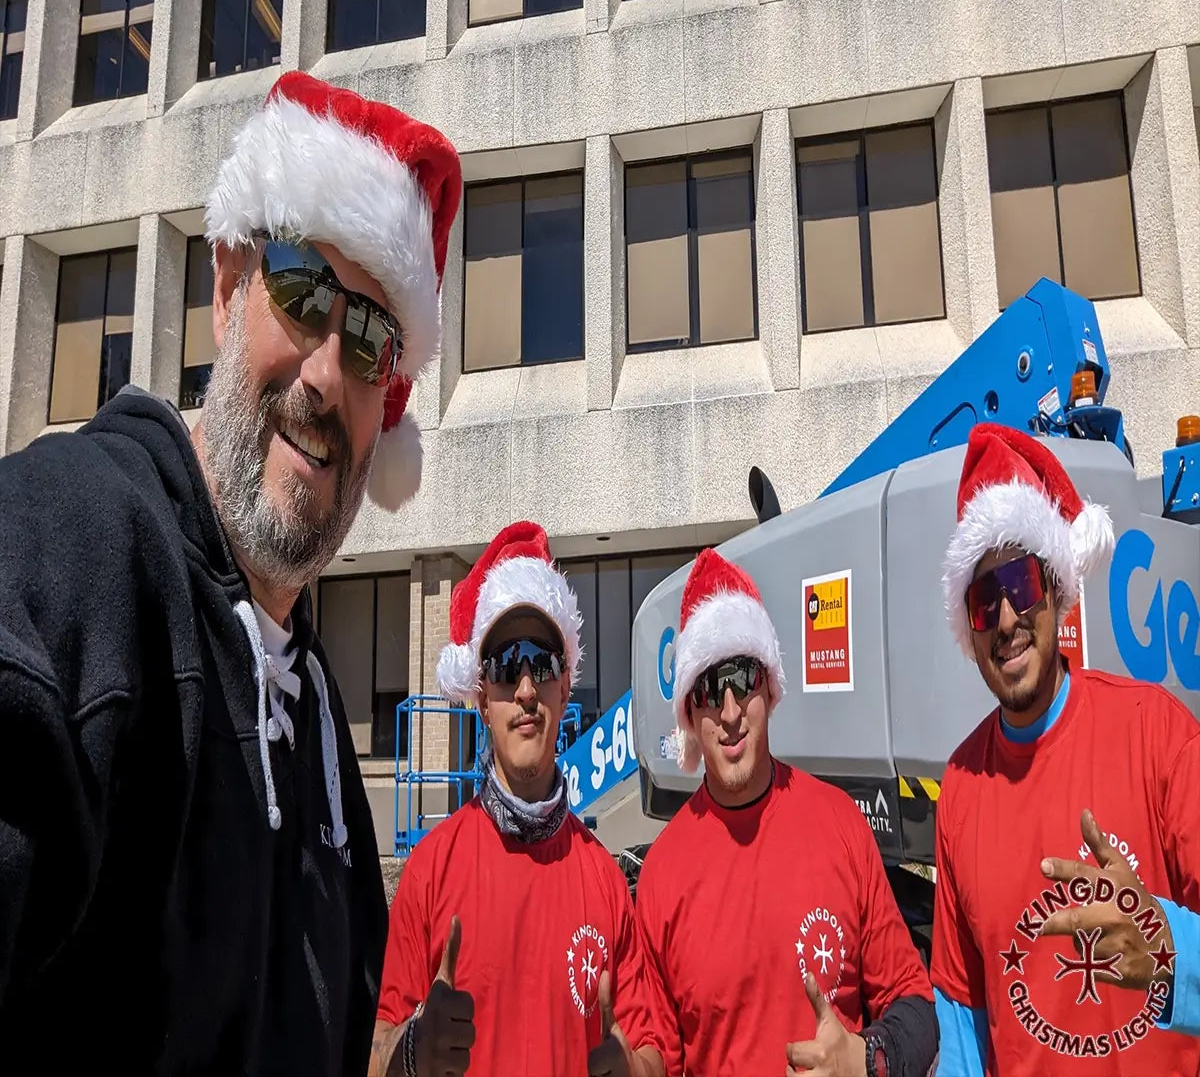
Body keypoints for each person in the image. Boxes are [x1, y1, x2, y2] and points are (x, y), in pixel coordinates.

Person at [0, 71, 462, 1073]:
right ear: (225, 286)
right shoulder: (73, 543)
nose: (330, 372)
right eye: (303, 291)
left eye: (376, 340)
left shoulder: (317, 714)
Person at [931, 422, 1200, 1075]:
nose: (1005, 617)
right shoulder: (961, 789)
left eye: (1020, 584)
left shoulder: (1155, 732)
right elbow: (960, 1017)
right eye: (982, 599)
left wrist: (1171, 952)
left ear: (1054, 589)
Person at [371, 521, 667, 1077]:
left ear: (564, 686)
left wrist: (632, 1069)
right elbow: (373, 1047)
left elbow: (650, 1043)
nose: (527, 690)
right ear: (482, 699)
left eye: (544, 663)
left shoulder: (604, 879)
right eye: (507, 666)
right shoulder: (431, 870)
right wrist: (411, 1052)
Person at [635, 547, 939, 1077]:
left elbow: (913, 1001)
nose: (729, 713)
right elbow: (659, 1051)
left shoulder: (839, 824)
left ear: (768, 688)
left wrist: (867, 1059)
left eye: (742, 680)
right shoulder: (663, 872)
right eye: (709, 689)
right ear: (690, 711)